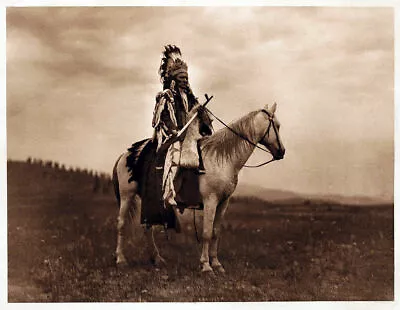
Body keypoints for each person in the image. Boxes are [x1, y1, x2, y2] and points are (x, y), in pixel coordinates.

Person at [152, 45, 212, 206]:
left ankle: (198, 194)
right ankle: (168, 193)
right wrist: (173, 130)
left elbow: (196, 115)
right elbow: (161, 117)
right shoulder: (167, 96)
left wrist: (203, 114)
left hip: (188, 135)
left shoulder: (190, 97)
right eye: (182, 78)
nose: (185, 81)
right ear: (174, 79)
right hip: (170, 135)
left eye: (186, 78)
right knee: (175, 154)